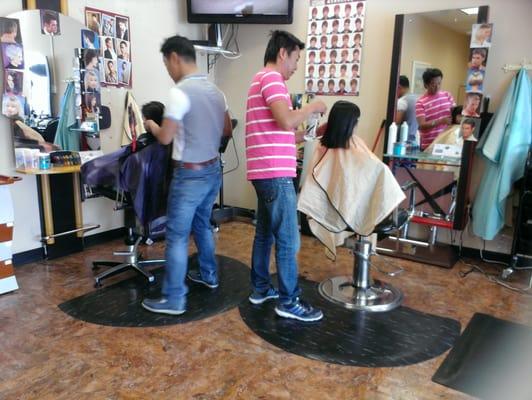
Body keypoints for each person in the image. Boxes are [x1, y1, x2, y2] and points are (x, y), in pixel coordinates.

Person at [141, 35, 232, 316]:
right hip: (213, 169)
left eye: (166, 64)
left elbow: (166, 139)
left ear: (174, 58)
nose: (168, 70)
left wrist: (152, 125)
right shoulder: (217, 92)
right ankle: (209, 275)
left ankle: (174, 299)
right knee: (203, 224)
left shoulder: (179, 93)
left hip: (189, 175)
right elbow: (227, 130)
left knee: (178, 236)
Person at [245, 30, 326, 322]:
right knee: (289, 239)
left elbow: (282, 134)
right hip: (275, 174)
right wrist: (312, 107)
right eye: (295, 59)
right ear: (283, 53)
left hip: (266, 171)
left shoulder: (260, 81)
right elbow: (286, 119)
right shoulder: (272, 79)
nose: (295, 66)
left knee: (265, 233)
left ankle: (260, 288)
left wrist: (311, 134)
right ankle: (289, 301)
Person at [415, 68, 455, 150]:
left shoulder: (447, 95)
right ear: (426, 85)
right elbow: (422, 125)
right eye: (433, 84)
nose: (437, 87)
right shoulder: (420, 102)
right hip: (428, 145)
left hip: (446, 144)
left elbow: (455, 115)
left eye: (439, 83)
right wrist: (441, 121)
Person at [395, 75, 419, 141]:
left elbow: (397, 121)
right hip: (416, 138)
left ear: (399, 87)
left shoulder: (402, 101)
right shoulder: (417, 99)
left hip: (404, 138)